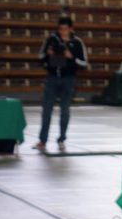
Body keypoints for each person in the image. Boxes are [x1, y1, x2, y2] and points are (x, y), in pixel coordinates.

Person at [35, 16, 88, 152]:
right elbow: (39, 57)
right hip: (52, 78)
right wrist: (47, 54)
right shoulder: (51, 39)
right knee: (46, 110)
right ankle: (42, 140)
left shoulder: (77, 43)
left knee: (65, 110)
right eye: (60, 29)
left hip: (68, 79)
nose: (63, 32)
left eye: (65, 29)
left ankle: (61, 139)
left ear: (71, 29)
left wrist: (72, 57)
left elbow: (84, 63)